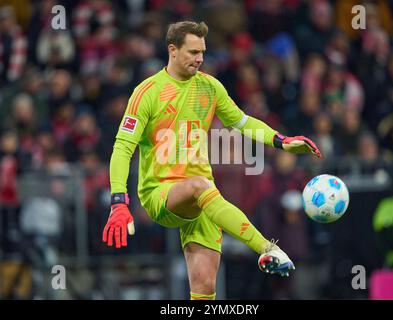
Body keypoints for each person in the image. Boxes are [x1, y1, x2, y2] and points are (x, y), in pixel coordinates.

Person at [102, 21, 322, 300]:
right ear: (172, 49)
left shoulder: (210, 87)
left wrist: (282, 141)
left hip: (204, 198)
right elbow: (122, 148)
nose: (200, 58)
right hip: (161, 192)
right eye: (193, 52)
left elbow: (243, 122)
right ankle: (267, 248)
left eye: (202, 52)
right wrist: (119, 201)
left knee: (205, 288)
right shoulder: (147, 93)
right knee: (200, 185)